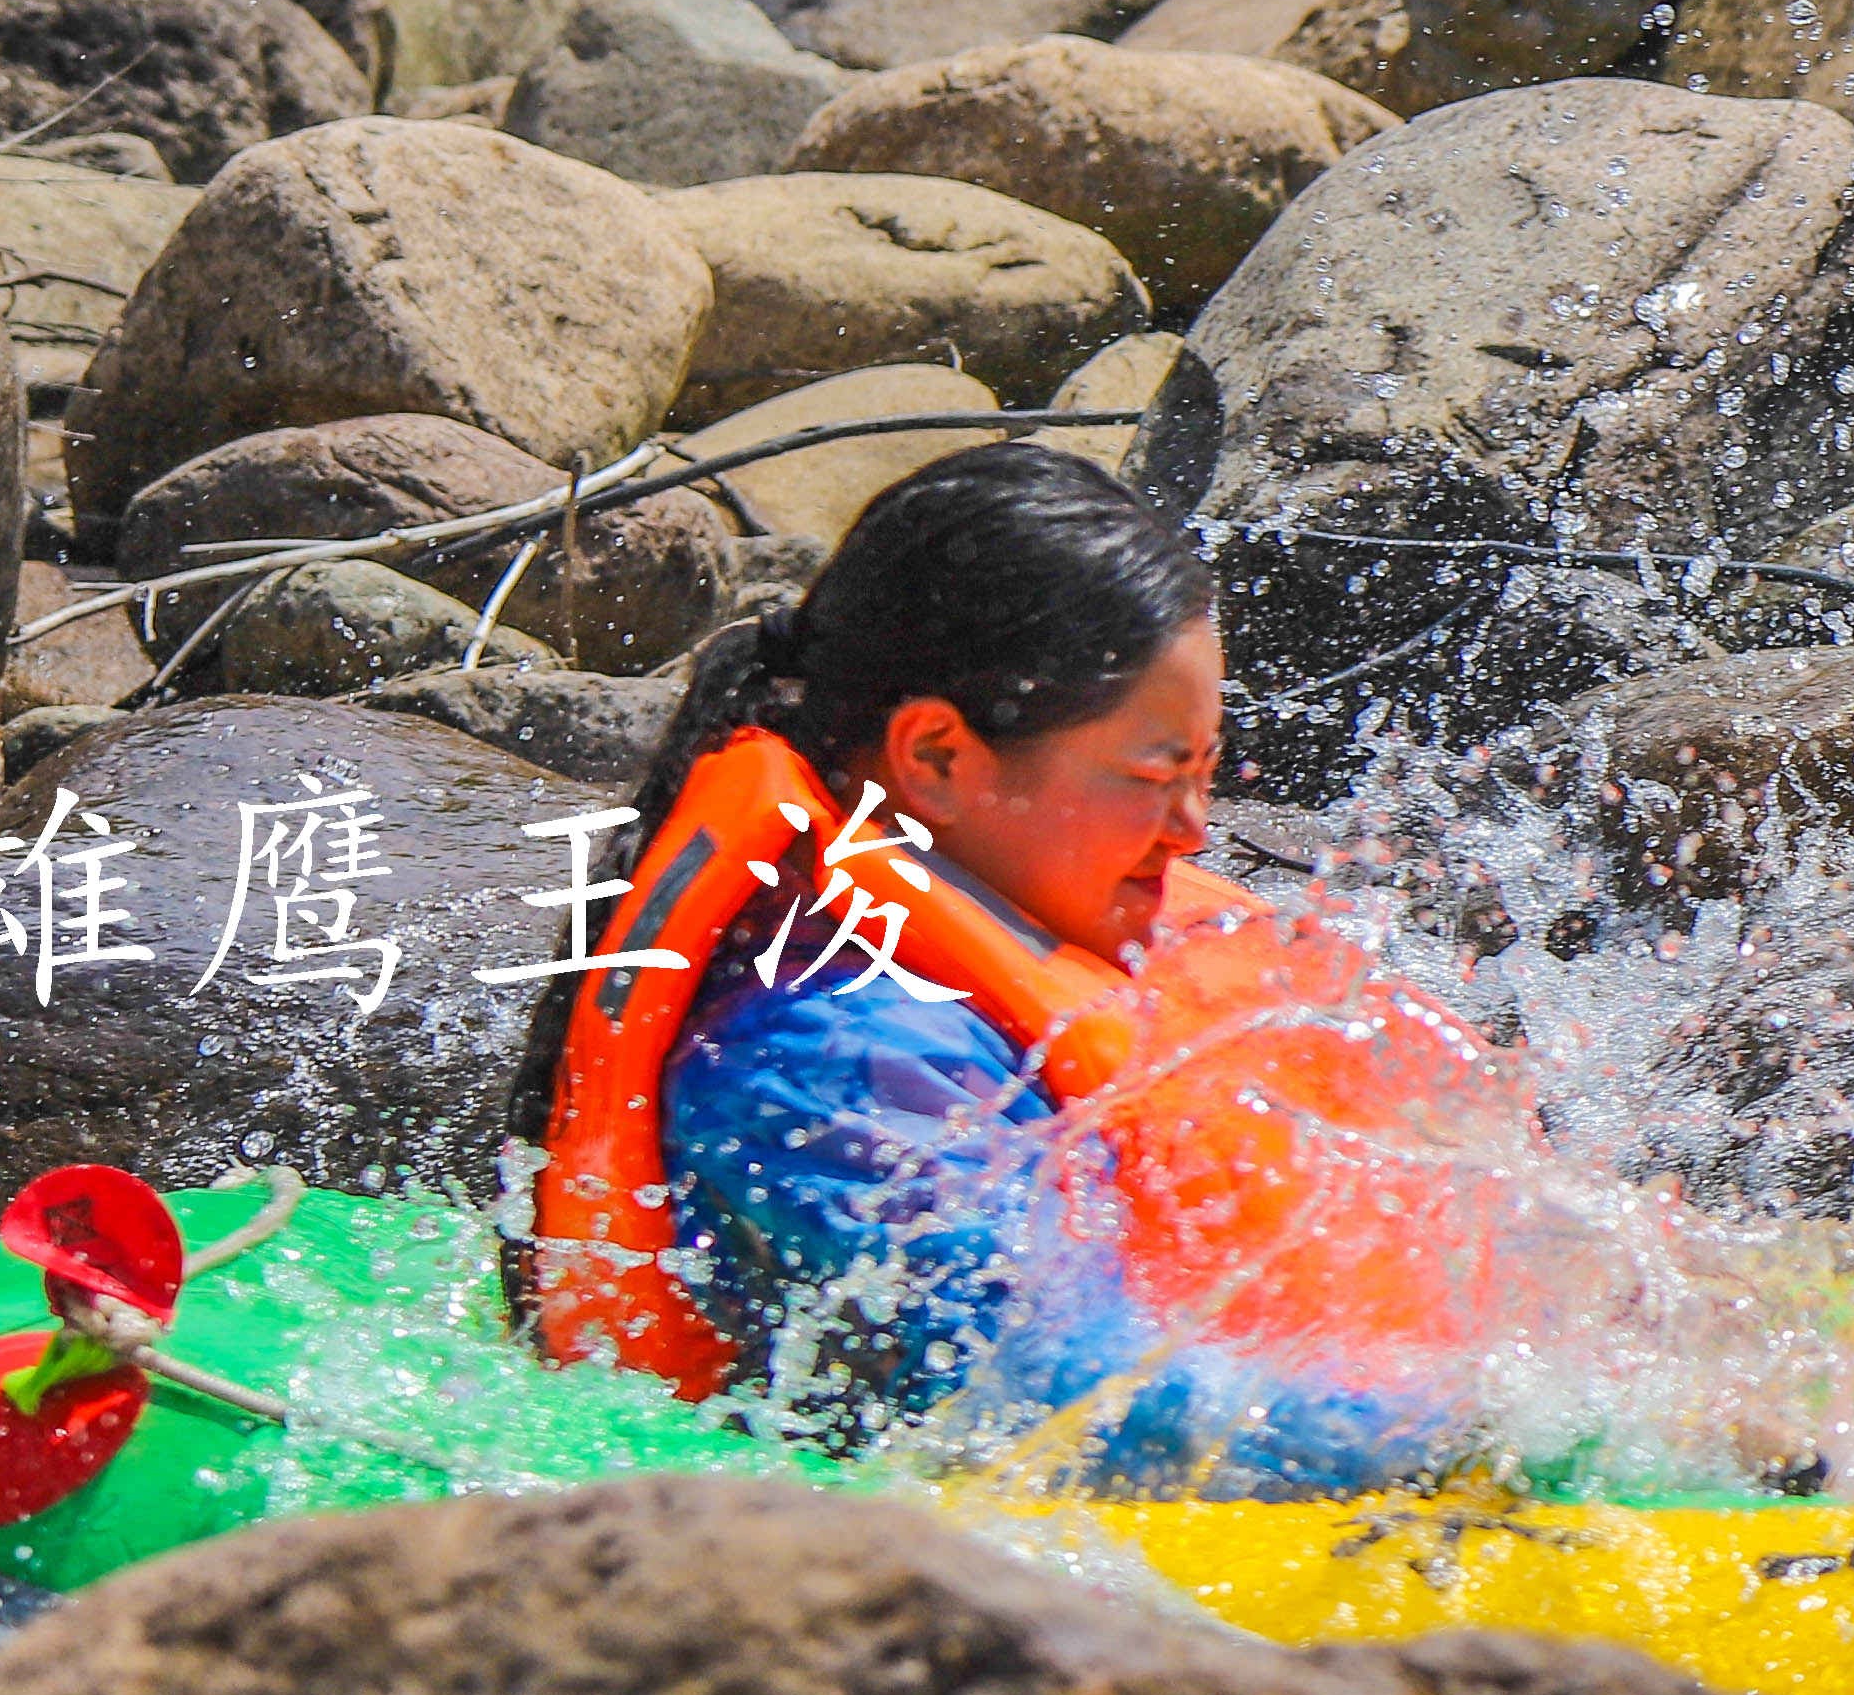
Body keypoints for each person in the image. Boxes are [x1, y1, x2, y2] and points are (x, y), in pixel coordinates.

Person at [509, 441, 1567, 1490]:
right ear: (936, 758)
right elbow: (1063, 1404)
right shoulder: (824, 1057)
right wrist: (1530, 1422)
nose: (1193, 831)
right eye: (1155, 774)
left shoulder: (1026, 960)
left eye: (1205, 768)